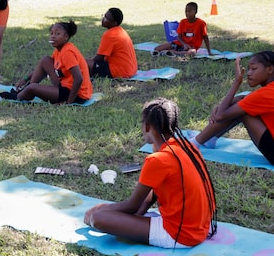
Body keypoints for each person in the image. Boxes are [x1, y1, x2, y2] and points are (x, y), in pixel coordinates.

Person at [84, 98, 217, 248]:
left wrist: (101, 207)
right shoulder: (187, 147)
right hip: (201, 228)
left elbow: (132, 206)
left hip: (181, 235)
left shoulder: (157, 160)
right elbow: (147, 199)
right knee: (122, 214)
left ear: (147, 126)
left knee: (98, 218)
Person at [194, 52, 274, 168]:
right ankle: (211, 138)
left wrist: (236, 83)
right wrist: (226, 103)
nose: (248, 73)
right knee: (244, 104)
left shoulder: (267, 94)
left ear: (270, 69)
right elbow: (248, 98)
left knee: (244, 111)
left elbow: (220, 115)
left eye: (254, 69)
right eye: (248, 69)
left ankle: (194, 143)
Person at [0, 20, 93, 104]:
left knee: (33, 88)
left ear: (66, 37)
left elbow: (79, 78)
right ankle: (24, 90)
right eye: (52, 33)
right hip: (65, 85)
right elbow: (44, 68)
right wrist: (25, 79)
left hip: (76, 94)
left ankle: (18, 97)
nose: (53, 36)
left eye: (57, 34)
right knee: (46, 60)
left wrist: (68, 102)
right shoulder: (59, 50)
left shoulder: (68, 52)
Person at [86, 7, 138, 79]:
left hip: (121, 72)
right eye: (104, 16)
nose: (103, 19)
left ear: (114, 23)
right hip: (131, 70)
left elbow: (99, 58)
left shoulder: (110, 35)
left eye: (107, 18)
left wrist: (88, 63)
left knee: (82, 63)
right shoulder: (120, 31)